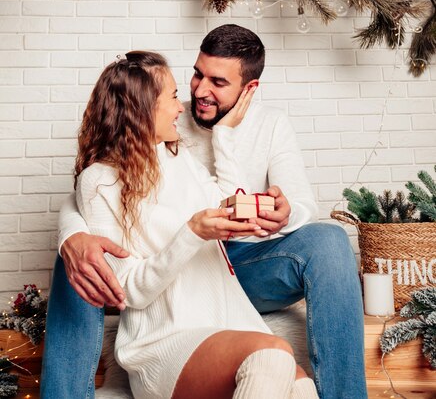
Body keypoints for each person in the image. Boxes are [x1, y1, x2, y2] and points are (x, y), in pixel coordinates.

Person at [42, 25, 367, 399]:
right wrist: (71, 235)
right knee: (79, 259)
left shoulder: (229, 138)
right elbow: (96, 189)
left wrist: (281, 210)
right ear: (143, 106)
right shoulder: (151, 142)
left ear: (248, 89)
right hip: (171, 304)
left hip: (241, 265)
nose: (196, 92)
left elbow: (254, 202)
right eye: (195, 76)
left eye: (217, 81)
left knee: (327, 245)